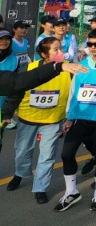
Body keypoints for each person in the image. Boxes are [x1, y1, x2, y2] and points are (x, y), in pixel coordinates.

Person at [55, 28, 96, 212]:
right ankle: (72, 192)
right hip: (80, 119)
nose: (92, 47)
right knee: (66, 154)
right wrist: (69, 118)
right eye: (90, 44)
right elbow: (73, 92)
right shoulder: (82, 63)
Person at [5, 37, 72, 203]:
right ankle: (20, 173)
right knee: (22, 151)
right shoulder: (28, 68)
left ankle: (40, 188)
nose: (61, 53)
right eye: (55, 50)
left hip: (52, 120)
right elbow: (15, 91)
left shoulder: (68, 71)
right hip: (28, 118)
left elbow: (73, 97)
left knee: (47, 156)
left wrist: (70, 118)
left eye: (61, 49)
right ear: (43, 54)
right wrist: (7, 114)